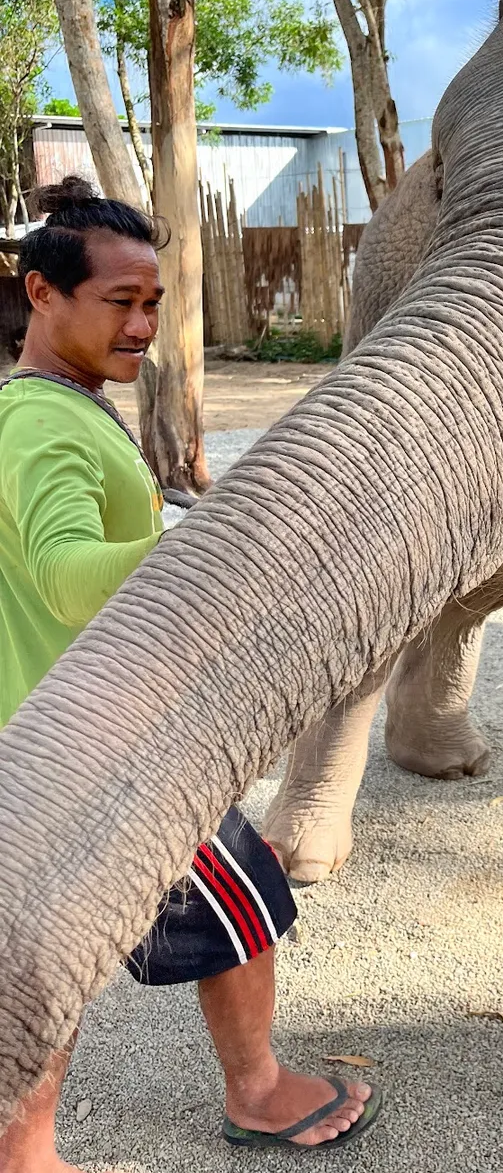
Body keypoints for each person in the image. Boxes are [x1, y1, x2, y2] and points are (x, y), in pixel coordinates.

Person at [0, 176, 381, 1169]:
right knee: (239, 906)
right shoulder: (41, 427)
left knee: (48, 952)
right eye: (118, 303)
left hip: (57, 727)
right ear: (42, 295)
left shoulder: (48, 406)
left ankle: (26, 1150)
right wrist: (213, 541)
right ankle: (255, 1092)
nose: (142, 326)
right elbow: (67, 577)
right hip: (108, 751)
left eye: (153, 303)